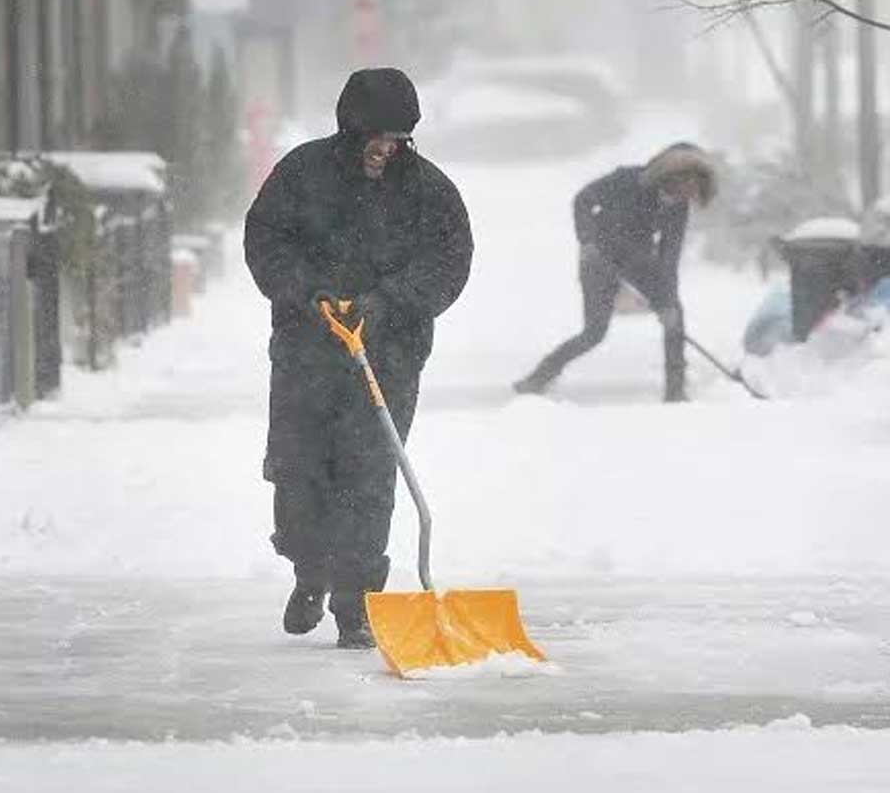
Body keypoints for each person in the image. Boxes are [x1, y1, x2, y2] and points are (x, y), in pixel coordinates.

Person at [244, 68, 473, 649]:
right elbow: (266, 240)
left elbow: (449, 260)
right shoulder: (301, 175)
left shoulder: (428, 191)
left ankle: (357, 605)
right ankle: (309, 573)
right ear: (351, 130)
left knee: (367, 477)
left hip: (388, 355)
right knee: (300, 471)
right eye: (376, 137)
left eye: (397, 139)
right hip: (306, 352)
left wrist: (389, 301)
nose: (385, 149)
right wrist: (306, 292)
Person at [513, 143, 717, 402]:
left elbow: (669, 256)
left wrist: (666, 300)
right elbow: (583, 199)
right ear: (673, 175)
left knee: (674, 315)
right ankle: (539, 377)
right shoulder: (627, 180)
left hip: (638, 264)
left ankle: (675, 391)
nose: (689, 194)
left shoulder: (678, 208)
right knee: (594, 333)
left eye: (695, 190)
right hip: (598, 259)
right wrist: (587, 242)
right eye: (688, 184)